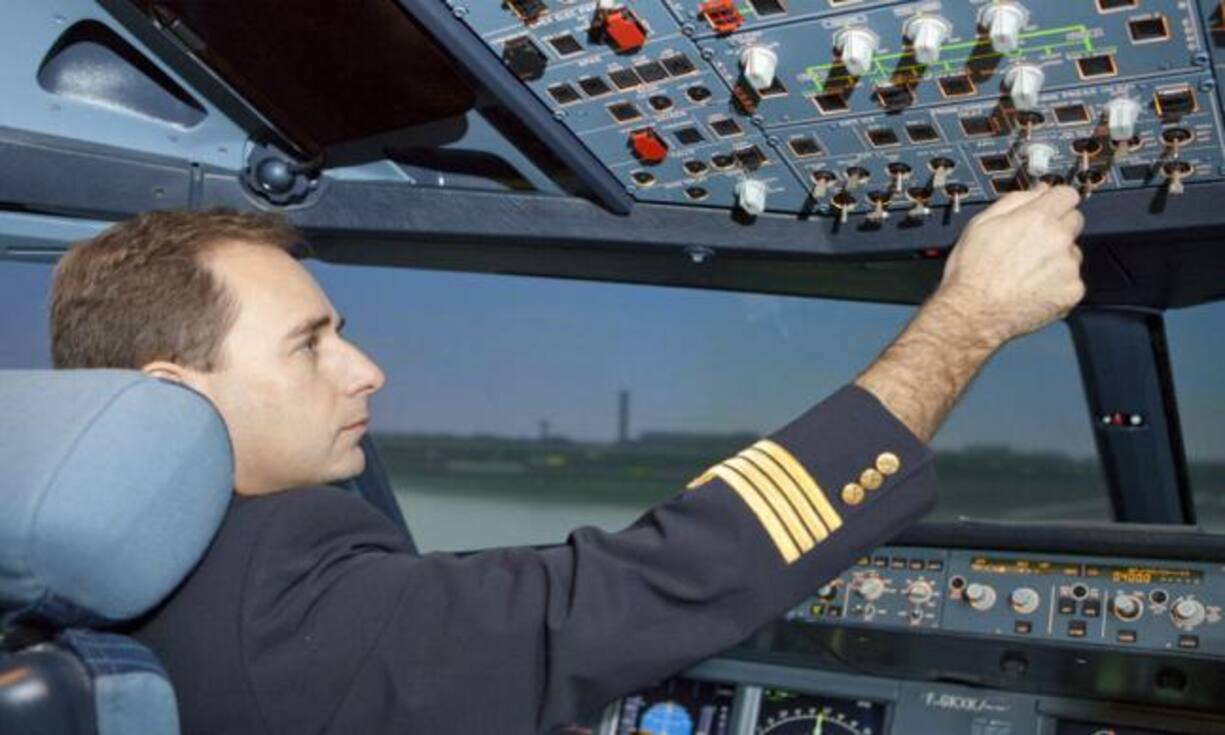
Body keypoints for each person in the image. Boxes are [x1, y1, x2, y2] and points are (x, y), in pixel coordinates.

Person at [48, 185, 1085, 734]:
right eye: (309, 344)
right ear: (177, 391)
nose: (366, 370)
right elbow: (664, 579)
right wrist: (968, 319)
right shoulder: (274, 608)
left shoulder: (77, 582)